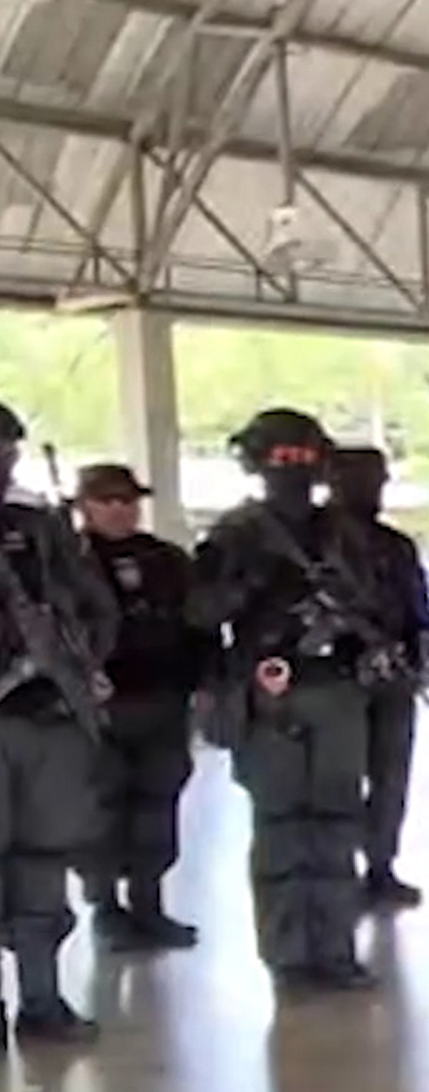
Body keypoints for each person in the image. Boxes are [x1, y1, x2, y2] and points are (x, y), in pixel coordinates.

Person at [191, 408, 389, 991]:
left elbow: (377, 601)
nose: (295, 468)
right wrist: (249, 585)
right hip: (270, 692)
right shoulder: (236, 534)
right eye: (282, 457)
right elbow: (199, 614)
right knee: (281, 827)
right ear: (257, 463)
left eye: (305, 456)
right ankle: (288, 957)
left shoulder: (343, 533)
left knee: (336, 824)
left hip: (337, 689)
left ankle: (335, 948)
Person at [0, 403, 117, 1045]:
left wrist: (76, 658)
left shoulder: (38, 530)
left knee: (43, 861)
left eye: (6, 449)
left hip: (47, 714)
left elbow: (95, 608)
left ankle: (42, 1001)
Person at [75, 462, 208, 951]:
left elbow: (198, 625)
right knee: (101, 808)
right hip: (96, 707)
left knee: (158, 804)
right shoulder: (68, 563)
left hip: (163, 700)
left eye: (127, 500)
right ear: (85, 506)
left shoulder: (167, 560)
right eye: (106, 500)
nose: (119, 509)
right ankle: (107, 909)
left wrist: (204, 681)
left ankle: (149, 905)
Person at [328, 446, 429, 912]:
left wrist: (425, 639)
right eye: (360, 481)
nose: (372, 491)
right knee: (341, 778)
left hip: (394, 675)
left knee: (391, 778)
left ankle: (380, 867)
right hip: (339, 678)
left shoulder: (395, 546)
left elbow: (418, 606)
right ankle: (340, 869)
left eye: (376, 480)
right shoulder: (318, 543)